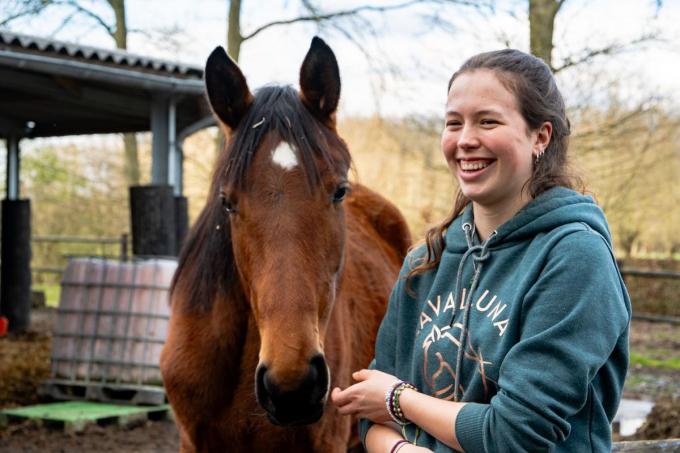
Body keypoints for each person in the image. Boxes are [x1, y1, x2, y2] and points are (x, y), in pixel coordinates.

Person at [330, 48, 631, 453]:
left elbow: (516, 434)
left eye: (487, 121)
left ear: (540, 136)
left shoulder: (574, 257)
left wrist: (399, 400)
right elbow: (370, 413)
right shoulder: (426, 261)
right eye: (454, 123)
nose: (466, 140)